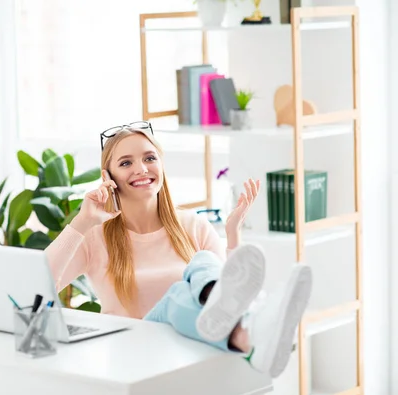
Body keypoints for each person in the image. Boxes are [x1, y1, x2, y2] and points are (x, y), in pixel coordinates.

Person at [44, 121, 312, 379]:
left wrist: (232, 236)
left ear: (161, 164)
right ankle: (251, 332)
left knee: (204, 261)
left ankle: (248, 335)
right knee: (178, 294)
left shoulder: (193, 225)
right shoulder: (95, 235)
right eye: (126, 163)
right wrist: (82, 222)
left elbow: (232, 294)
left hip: (188, 355)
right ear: (108, 177)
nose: (141, 168)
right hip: (131, 356)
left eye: (149, 158)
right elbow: (41, 284)